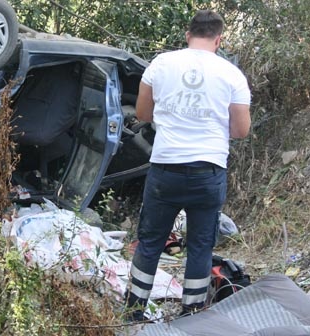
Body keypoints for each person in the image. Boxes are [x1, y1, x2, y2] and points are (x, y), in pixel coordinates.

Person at [124, 9, 251, 321]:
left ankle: (133, 311)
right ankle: (192, 313)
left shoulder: (162, 64)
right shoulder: (231, 75)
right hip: (208, 172)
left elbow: (142, 113)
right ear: (219, 39)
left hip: (166, 169)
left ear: (187, 34)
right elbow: (240, 130)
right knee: (200, 244)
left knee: (151, 240)